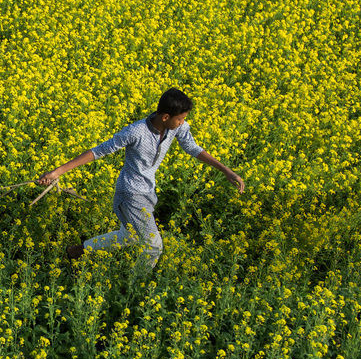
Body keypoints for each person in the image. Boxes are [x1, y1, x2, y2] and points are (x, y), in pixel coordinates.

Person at [36, 87, 244, 269]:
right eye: (180, 118)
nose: (183, 123)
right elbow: (99, 151)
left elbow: (192, 148)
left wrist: (226, 170)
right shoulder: (136, 132)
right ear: (165, 117)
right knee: (154, 246)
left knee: (129, 236)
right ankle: (136, 287)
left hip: (147, 191)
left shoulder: (176, 128)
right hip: (130, 193)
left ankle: (78, 251)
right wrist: (57, 172)